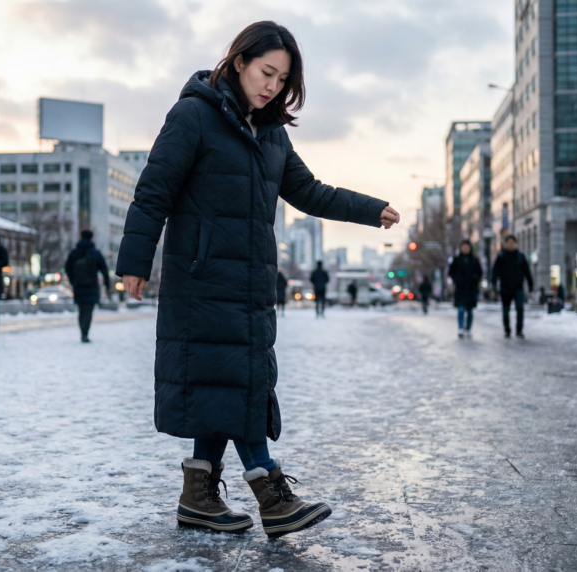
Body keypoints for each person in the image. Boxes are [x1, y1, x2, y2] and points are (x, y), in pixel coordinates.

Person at [116, 21, 400, 539]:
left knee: (223, 384)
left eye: (283, 79)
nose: (272, 85)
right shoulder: (193, 116)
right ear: (239, 61)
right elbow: (153, 191)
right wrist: (135, 262)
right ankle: (272, 496)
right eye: (266, 72)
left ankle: (198, 497)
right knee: (240, 382)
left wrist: (370, 209)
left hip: (249, 285)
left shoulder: (270, 135)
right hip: (202, 280)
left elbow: (310, 192)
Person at [65, 229, 110, 343]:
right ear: (91, 238)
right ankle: (85, 333)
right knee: (88, 310)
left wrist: (72, 281)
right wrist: (107, 282)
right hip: (91, 286)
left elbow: (67, 267)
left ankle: (82, 332)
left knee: (81, 310)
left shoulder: (74, 252)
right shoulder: (95, 253)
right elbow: (104, 268)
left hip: (78, 286)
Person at [491, 235, 534, 339]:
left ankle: (519, 330)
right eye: (508, 242)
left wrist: (530, 284)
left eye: (512, 242)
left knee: (520, 308)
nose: (510, 244)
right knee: (506, 310)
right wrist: (493, 284)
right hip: (505, 288)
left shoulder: (520, 256)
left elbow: (527, 271)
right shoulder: (501, 257)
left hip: (518, 287)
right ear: (505, 244)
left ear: (515, 243)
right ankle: (507, 329)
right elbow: (495, 272)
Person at [448, 240, 482, 338]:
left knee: (470, 310)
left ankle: (468, 329)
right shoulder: (456, 260)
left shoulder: (475, 260)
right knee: (461, 309)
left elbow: (479, 273)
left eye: (467, 247)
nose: (465, 249)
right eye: (463, 247)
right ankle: (461, 328)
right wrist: (456, 281)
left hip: (471, 288)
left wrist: (475, 280)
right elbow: (451, 272)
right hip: (460, 289)